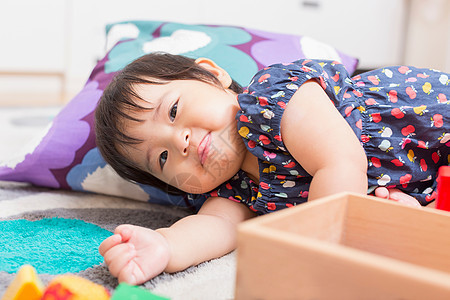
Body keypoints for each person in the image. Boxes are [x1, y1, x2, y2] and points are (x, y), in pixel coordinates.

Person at [95, 52, 449, 285]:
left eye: (173, 112)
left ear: (211, 74)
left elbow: (340, 162)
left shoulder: (275, 99)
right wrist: (163, 246)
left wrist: (316, 256)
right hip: (425, 182)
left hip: (431, 129)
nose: (180, 143)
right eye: (162, 158)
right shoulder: (234, 189)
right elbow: (212, 229)